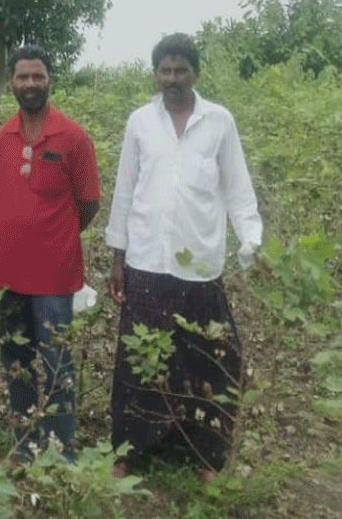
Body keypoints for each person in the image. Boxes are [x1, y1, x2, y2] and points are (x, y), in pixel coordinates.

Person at [106, 33, 262, 481]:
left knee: (205, 357)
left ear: (196, 72)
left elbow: (238, 190)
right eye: (165, 70)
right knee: (140, 357)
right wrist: (118, 257)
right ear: (155, 74)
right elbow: (125, 190)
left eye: (180, 70)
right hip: (147, 263)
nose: (172, 78)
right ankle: (131, 447)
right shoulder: (140, 122)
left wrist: (251, 242)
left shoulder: (219, 123)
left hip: (200, 266)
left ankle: (203, 451)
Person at [0, 45, 101, 461]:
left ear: (50, 80)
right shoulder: (1, 140)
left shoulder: (74, 138)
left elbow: (88, 204)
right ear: (13, 82)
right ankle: (23, 444)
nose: (30, 84)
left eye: (38, 76)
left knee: (57, 367)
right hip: (8, 276)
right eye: (22, 77)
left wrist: (58, 236)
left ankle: (60, 452)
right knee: (16, 364)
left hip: (56, 277)